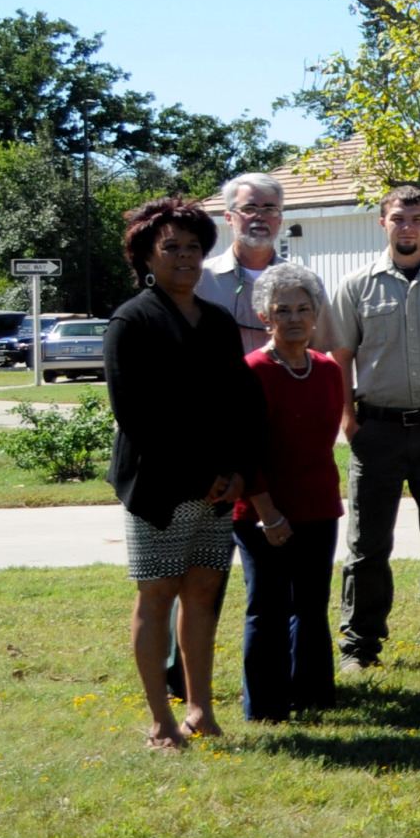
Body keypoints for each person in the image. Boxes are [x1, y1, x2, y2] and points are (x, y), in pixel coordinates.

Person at [106, 197, 264, 750]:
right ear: (146, 256)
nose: (185, 257)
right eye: (170, 247)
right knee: (158, 592)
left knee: (202, 589)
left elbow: (243, 404)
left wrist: (240, 471)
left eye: (194, 247)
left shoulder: (219, 321)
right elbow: (137, 415)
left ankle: (201, 709)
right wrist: (201, 474)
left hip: (220, 485)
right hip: (159, 484)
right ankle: (160, 722)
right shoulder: (133, 321)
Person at [323, 185, 420, 675]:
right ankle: (359, 648)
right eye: (398, 218)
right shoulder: (355, 286)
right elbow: (339, 360)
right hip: (377, 432)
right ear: (382, 223)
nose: (407, 226)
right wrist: (349, 422)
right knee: (367, 547)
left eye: (416, 218)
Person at [232, 262, 346, 723]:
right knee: (268, 608)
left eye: (303, 309)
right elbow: (242, 448)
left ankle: (314, 696)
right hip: (263, 512)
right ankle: (265, 707)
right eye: (283, 310)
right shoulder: (252, 371)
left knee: (313, 605)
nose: (294, 318)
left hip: (319, 505)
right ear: (265, 318)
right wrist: (268, 512)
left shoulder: (327, 370)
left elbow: (322, 440)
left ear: (316, 315)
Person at [198, 171, 284, 355]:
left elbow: (326, 349)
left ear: (280, 219)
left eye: (269, 209)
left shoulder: (304, 282)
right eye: (249, 209)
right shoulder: (200, 281)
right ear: (228, 218)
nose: (260, 217)